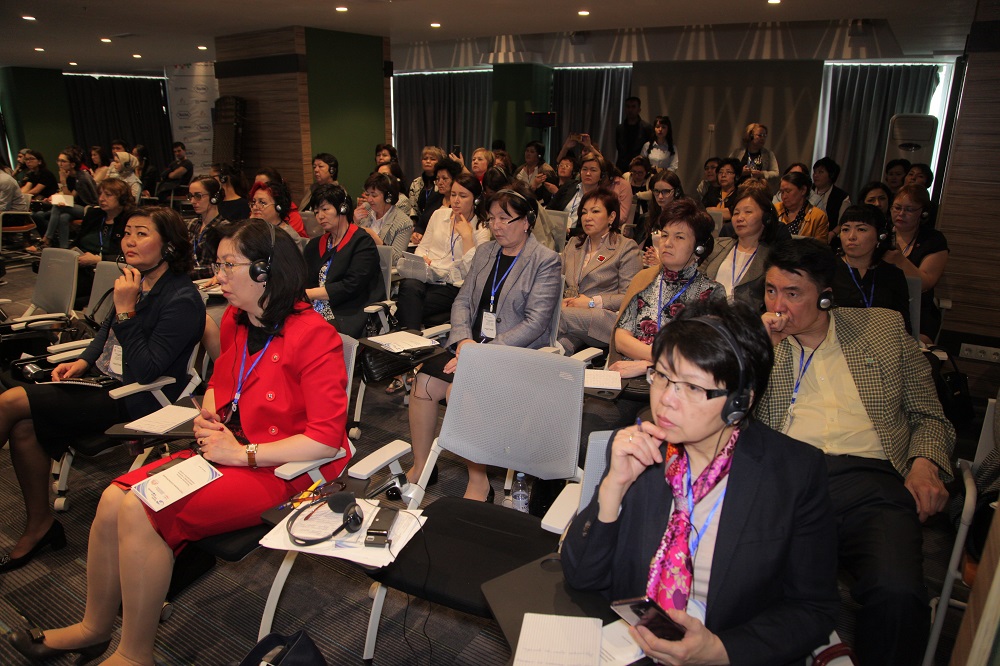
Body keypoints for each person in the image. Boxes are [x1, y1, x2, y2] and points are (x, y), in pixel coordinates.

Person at [8, 219, 351, 666]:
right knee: (112, 499)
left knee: (140, 509)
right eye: (217, 264)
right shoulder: (237, 319)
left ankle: (135, 655)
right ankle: (93, 628)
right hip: (230, 448)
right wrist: (209, 411)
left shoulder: (315, 336)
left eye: (228, 265)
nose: (218, 276)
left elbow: (325, 440)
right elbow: (222, 379)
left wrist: (241, 453)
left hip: (289, 468)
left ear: (265, 271)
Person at [562, 298, 838, 665]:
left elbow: (814, 609)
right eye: (662, 377)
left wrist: (721, 651)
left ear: (740, 401)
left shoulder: (794, 474)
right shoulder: (638, 449)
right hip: (630, 645)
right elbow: (581, 576)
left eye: (692, 388)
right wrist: (613, 489)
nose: (666, 400)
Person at [755, 238, 955, 666]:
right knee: (756, 577)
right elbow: (726, 419)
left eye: (793, 293)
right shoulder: (757, 340)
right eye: (771, 290)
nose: (778, 305)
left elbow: (929, 414)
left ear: (825, 296)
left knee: (897, 592)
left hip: (872, 482)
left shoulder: (882, 329)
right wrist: (758, 354)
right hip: (786, 479)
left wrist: (924, 464)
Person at [0, 207, 205, 575]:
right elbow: (105, 332)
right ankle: (41, 526)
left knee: (11, 401)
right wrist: (83, 360)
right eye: (127, 232)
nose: (129, 241)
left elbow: (146, 370)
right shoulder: (134, 280)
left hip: (135, 398)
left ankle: (40, 527)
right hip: (101, 383)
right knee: (23, 428)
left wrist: (127, 310)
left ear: (170, 246)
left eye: (142, 233)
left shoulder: (182, 299)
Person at [406, 184, 561, 500]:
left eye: (505, 218)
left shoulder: (544, 260)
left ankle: (479, 482)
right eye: (492, 218)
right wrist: (464, 340)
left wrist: (481, 352)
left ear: (526, 221)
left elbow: (535, 323)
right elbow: (462, 301)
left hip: (513, 356)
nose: (496, 226)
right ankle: (422, 467)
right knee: (423, 381)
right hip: (470, 348)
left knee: (458, 391)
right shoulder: (485, 252)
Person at [609, 199, 725, 380]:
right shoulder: (644, 279)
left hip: (679, 382)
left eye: (679, 237)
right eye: (664, 235)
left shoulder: (711, 292)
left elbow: (702, 352)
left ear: (699, 248)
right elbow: (621, 339)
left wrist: (649, 365)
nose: (668, 243)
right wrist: (655, 360)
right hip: (630, 374)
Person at [395, 172, 490, 333]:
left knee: (409, 304)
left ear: (476, 199)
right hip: (428, 275)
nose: (456, 200)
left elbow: (474, 272)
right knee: (409, 285)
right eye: (453, 194)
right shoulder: (439, 215)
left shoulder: (481, 229)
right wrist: (422, 259)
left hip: (453, 285)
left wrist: (467, 237)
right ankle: (411, 337)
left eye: (463, 196)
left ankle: (407, 335)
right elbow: (422, 247)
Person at [559, 188, 641, 354]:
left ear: (611, 217)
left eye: (595, 211)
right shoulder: (574, 244)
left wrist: (592, 302)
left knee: (555, 317)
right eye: (584, 212)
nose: (587, 217)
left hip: (604, 319)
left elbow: (630, 297)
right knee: (558, 346)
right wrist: (560, 301)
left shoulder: (625, 247)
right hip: (575, 320)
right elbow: (558, 281)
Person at [304, 184, 383, 338]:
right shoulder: (315, 245)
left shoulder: (362, 242)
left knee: (310, 334)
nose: (320, 216)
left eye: (325, 209)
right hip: (313, 308)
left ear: (342, 208)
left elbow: (351, 286)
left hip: (349, 312)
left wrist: (309, 294)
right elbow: (304, 279)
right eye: (316, 212)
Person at [701, 185, 790, 313]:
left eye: (748, 212)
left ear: (766, 218)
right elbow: (697, 281)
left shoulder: (773, 258)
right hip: (707, 317)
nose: (740, 218)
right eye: (736, 213)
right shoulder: (716, 246)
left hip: (746, 322)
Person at [882, 184, 949, 341]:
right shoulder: (880, 233)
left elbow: (925, 283)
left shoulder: (933, 239)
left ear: (923, 212)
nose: (901, 213)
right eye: (897, 208)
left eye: (909, 209)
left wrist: (899, 259)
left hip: (917, 309)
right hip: (881, 305)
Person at [832, 204, 911, 331]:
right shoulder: (826, 270)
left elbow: (904, 326)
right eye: (845, 229)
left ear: (880, 236)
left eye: (861, 229)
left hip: (882, 340)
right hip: (835, 339)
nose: (851, 236)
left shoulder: (893, 275)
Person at [72, 179, 134, 306]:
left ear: (122, 198)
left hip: (110, 270)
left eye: (108, 195)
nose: (101, 198)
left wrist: (98, 259)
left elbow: (129, 256)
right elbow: (77, 242)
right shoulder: (93, 214)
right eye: (100, 194)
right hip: (82, 265)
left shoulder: (130, 220)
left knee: (66, 287)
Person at [29, 148, 99, 249]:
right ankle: (64, 247)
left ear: (72, 164)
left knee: (57, 207)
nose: (60, 164)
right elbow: (69, 197)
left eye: (63, 161)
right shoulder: (69, 175)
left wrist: (63, 181)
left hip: (90, 208)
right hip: (76, 207)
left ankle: (47, 238)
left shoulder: (82, 177)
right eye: (59, 161)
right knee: (63, 217)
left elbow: (71, 198)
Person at [354, 172, 413, 266]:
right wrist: (354, 224)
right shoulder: (365, 209)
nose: (369, 200)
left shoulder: (404, 223)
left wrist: (374, 238)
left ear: (388, 197)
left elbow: (395, 260)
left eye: (374, 195)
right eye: (368, 194)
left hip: (381, 269)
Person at [187, 176, 229, 273]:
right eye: (190, 196)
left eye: (198, 196)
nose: (192, 201)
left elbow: (222, 266)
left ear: (214, 198)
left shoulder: (224, 228)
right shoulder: (191, 224)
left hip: (209, 278)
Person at [775, 171, 828, 240]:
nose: (784, 196)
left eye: (788, 191)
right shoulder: (775, 209)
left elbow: (820, 245)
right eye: (782, 192)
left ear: (803, 190)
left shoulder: (819, 216)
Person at [407, 145, 447, 232]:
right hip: (419, 226)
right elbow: (413, 209)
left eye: (432, 159)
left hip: (439, 225)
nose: (428, 161)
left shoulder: (443, 183)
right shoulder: (416, 183)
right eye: (425, 159)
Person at [730, 123, 779, 191]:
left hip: (759, 190)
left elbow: (776, 173)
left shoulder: (768, 154)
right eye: (760, 135)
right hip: (739, 190)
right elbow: (727, 170)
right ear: (750, 136)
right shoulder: (737, 153)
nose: (763, 138)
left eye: (764, 136)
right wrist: (740, 172)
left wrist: (762, 174)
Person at [811, 156, 851, 235]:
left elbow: (843, 223)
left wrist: (832, 234)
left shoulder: (841, 197)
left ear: (831, 175)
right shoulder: (807, 190)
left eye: (820, 172)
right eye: (815, 172)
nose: (815, 175)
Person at [615, 96, 655, 173]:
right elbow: (619, 148)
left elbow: (649, 150)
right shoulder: (619, 128)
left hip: (640, 169)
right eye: (628, 107)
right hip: (622, 167)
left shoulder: (647, 128)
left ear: (639, 109)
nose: (630, 110)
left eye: (633, 107)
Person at [701, 157, 740, 223]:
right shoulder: (712, 192)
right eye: (720, 172)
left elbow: (732, 213)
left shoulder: (739, 194)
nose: (723, 175)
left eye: (728, 172)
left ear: (736, 176)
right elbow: (701, 210)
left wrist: (710, 210)